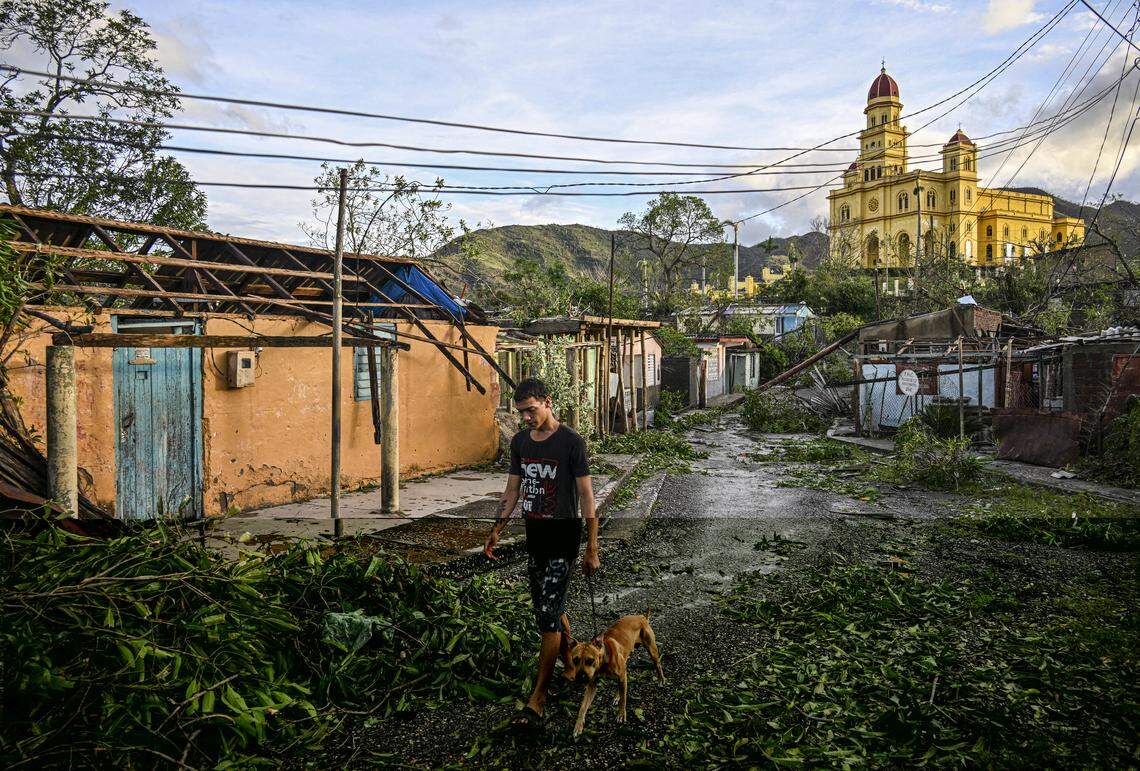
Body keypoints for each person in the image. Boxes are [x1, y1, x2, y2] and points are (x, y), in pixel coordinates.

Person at [483, 377, 599, 729]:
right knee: (548, 607)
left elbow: (587, 497)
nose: (526, 418)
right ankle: (569, 662)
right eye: (521, 413)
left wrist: (592, 547)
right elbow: (512, 490)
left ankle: (538, 698)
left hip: (564, 539)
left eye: (531, 410)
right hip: (536, 538)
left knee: (547, 617)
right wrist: (497, 530)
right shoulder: (519, 442)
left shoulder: (571, 442)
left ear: (548, 402)